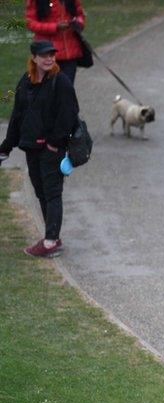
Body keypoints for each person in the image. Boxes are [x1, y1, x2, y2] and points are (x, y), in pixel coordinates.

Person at [0, 40, 79, 258]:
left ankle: (50, 241)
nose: (49, 58)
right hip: (31, 148)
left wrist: (55, 142)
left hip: (52, 149)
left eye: (52, 55)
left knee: (52, 193)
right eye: (44, 55)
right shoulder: (25, 82)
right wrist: (6, 146)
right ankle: (52, 236)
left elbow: (70, 113)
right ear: (34, 58)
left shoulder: (60, 82)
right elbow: (17, 116)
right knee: (41, 192)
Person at [25, 0, 87, 84]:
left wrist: (78, 23)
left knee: (67, 90)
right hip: (47, 54)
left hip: (70, 54)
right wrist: (55, 27)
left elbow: (80, 15)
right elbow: (30, 23)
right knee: (47, 90)